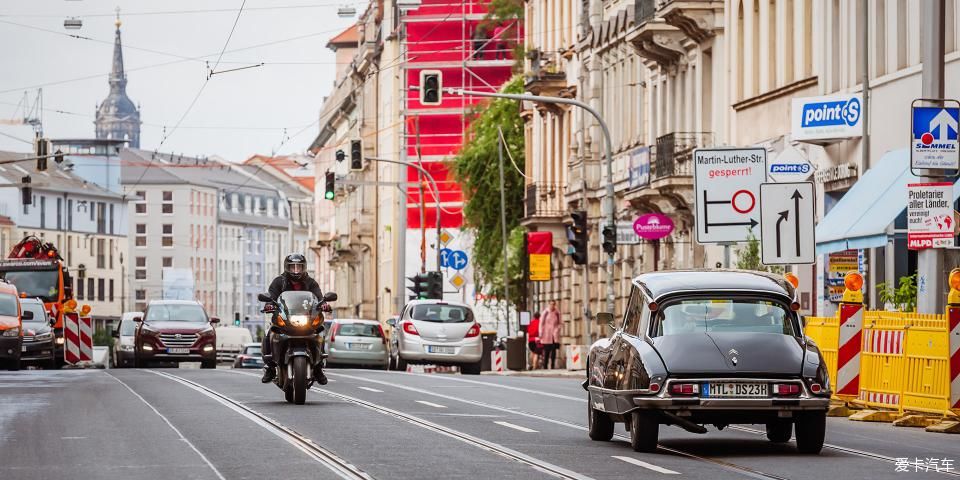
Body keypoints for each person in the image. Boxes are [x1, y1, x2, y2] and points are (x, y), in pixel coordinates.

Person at [261, 253, 328, 385]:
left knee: (320, 330)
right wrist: (269, 304)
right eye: (293, 267)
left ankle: (318, 367)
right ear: (287, 268)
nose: (296, 270)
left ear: (304, 268)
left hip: (307, 319)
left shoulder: (311, 282)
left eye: (299, 267)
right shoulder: (278, 282)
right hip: (285, 318)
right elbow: (272, 295)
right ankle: (270, 367)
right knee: (270, 332)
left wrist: (324, 304)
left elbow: (319, 298)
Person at [540, 301, 562, 369]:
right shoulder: (545, 312)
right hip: (546, 335)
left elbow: (560, 323)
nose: (552, 306)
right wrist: (540, 333)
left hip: (554, 335)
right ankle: (545, 366)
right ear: (549, 304)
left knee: (554, 350)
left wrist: (557, 329)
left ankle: (552, 366)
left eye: (554, 304)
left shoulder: (557, 313)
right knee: (546, 351)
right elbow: (541, 323)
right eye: (551, 304)